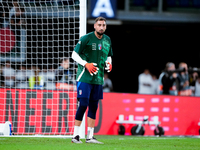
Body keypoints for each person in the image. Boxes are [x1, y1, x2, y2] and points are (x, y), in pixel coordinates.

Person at [71, 17, 113, 144]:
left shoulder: (107, 40)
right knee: (83, 104)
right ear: (94, 26)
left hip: (98, 79)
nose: (101, 27)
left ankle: (90, 136)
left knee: (94, 107)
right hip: (84, 77)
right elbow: (74, 54)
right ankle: (75, 136)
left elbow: (109, 55)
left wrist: (109, 64)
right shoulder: (86, 38)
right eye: (99, 25)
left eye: (104, 25)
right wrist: (85, 64)